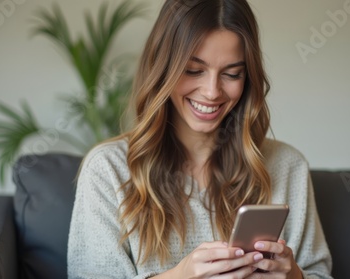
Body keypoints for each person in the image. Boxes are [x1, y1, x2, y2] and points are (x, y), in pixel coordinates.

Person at [67, 0, 333, 278]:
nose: (212, 92)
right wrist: (181, 275)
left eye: (232, 74)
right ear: (163, 67)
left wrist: (293, 275)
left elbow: (319, 273)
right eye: (193, 70)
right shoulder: (108, 169)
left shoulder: (287, 166)